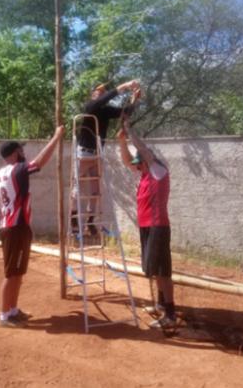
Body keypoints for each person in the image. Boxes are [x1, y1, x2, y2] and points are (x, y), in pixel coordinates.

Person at [0, 125, 64, 328]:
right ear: (15, 153)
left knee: (18, 272)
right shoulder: (17, 170)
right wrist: (56, 137)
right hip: (15, 227)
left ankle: (13, 310)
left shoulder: (0, 174)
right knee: (11, 273)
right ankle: (4, 316)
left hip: (15, 226)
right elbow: (39, 162)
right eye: (21, 150)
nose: (24, 153)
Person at [117, 120, 176, 329]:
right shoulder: (144, 174)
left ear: (147, 161)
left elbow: (143, 151)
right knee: (153, 267)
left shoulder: (158, 170)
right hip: (146, 226)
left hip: (157, 226)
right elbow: (127, 161)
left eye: (139, 162)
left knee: (161, 270)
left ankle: (170, 314)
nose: (137, 165)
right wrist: (122, 141)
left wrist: (129, 129)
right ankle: (161, 304)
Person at [70, 80, 140, 236]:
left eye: (102, 91)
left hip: (97, 153)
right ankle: (73, 217)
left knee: (96, 190)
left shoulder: (105, 111)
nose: (101, 93)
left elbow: (125, 112)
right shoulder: (89, 107)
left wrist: (136, 98)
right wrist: (125, 86)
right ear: (92, 94)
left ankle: (90, 221)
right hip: (83, 153)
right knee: (77, 187)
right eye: (98, 91)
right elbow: (105, 98)